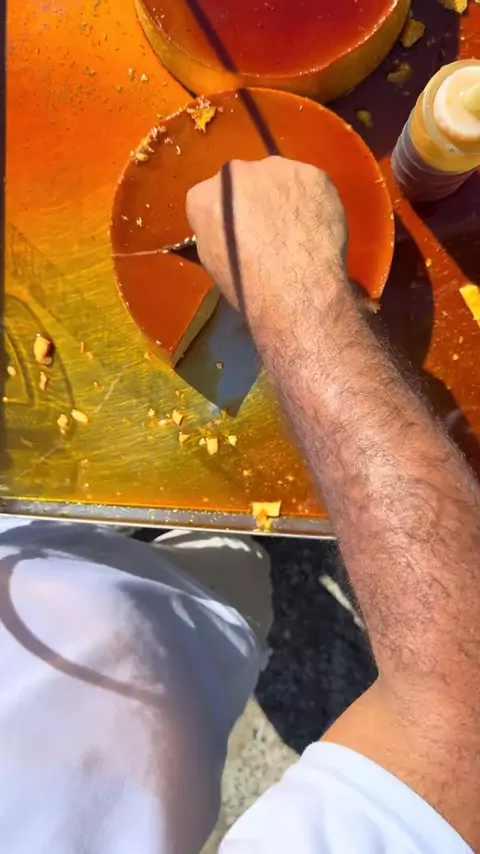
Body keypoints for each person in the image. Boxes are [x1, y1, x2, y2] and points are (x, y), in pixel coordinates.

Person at [1, 157, 478, 854]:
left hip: (34, 540)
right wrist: (295, 290)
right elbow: (463, 707)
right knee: (235, 570)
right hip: (181, 649)